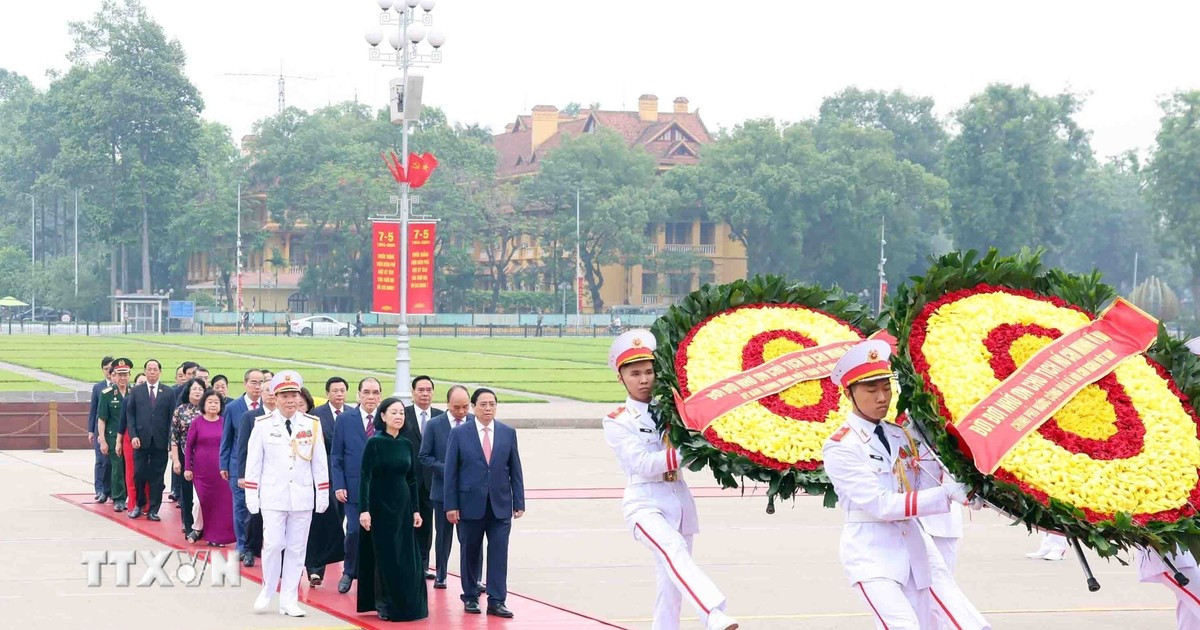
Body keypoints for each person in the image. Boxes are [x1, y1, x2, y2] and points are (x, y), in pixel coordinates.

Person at [823, 339, 989, 630]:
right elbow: (881, 504)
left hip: (915, 547)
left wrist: (963, 484)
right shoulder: (841, 446)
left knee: (960, 620)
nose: (881, 397)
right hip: (872, 553)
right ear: (849, 393)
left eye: (886, 388)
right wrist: (947, 494)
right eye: (871, 390)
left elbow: (923, 486)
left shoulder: (901, 434)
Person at [603, 330, 739, 630]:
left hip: (678, 500)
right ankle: (714, 613)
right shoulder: (617, 420)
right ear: (621, 378)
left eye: (649, 372)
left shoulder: (674, 409)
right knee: (673, 550)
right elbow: (642, 463)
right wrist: (688, 448)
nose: (644, 380)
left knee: (671, 585)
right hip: (644, 503)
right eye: (635, 373)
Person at [244, 370, 330, 617]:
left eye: (294, 395)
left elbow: (319, 461)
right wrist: (252, 495)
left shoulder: (311, 424)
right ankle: (268, 589)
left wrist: (322, 493)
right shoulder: (262, 425)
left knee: (296, 548)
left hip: (302, 496)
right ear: (276, 397)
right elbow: (254, 463)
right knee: (273, 544)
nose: (290, 400)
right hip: (273, 495)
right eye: (285, 395)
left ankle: (289, 599)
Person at [444, 388, 525, 618]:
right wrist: (451, 505)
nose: (488, 408)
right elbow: (451, 472)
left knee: (499, 553)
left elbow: (515, 470)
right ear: (473, 407)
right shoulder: (460, 434)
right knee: (470, 552)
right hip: (470, 504)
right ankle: (470, 596)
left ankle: (497, 600)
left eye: (492, 404)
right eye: (483, 404)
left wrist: (519, 501)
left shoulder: (507, 433)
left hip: (500, 505)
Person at [357, 396, 430, 622]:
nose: (398, 416)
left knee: (406, 556)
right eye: (393, 412)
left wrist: (416, 510)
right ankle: (385, 604)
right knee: (386, 556)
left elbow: (412, 480)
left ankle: (408, 603)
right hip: (380, 508)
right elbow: (365, 477)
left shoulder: (407, 444)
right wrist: (364, 509)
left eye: (401, 413)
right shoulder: (375, 442)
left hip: (404, 508)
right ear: (383, 416)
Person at [419, 384, 480, 589]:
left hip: (470, 492)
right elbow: (424, 456)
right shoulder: (435, 425)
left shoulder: (475, 422)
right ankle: (441, 574)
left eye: (465, 407)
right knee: (443, 536)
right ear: (447, 404)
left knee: (471, 537)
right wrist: (448, 469)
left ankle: (474, 578)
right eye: (456, 408)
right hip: (443, 490)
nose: (461, 412)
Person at [332, 377, 383, 594]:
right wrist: (339, 484)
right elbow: (336, 455)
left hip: (379, 490)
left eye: (375, 393)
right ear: (358, 395)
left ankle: (374, 577)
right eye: (367, 392)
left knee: (377, 534)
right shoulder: (345, 419)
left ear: (380, 396)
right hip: (352, 489)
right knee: (353, 530)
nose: (371, 397)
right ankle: (349, 572)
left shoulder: (386, 419)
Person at [220, 368, 264, 566]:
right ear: (245, 384)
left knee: (257, 508)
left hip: (262, 467)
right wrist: (224, 463)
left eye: (260, 382)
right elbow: (226, 438)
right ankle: (242, 545)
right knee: (240, 507)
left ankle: (255, 544)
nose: (257, 386)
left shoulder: (269, 407)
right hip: (238, 466)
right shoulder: (233, 407)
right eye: (253, 382)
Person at [301, 386, 345, 586]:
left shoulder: (314, 423)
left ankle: (316, 568)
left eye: (302, 403)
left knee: (322, 523)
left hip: (325, 477)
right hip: (295, 484)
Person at [123, 359, 175, 521]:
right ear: (145, 371)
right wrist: (133, 436)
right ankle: (139, 504)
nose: (152, 372)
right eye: (149, 369)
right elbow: (130, 415)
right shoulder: (136, 391)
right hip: (141, 440)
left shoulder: (168, 392)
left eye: (155, 369)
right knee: (139, 474)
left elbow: (172, 417)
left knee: (157, 476)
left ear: (160, 371)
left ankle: (153, 509)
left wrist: (170, 441)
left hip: (160, 441)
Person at [185, 388, 235, 546]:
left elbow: (229, 445)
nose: (213, 405)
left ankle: (217, 536)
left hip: (221, 471)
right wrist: (188, 468)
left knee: (220, 504)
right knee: (199, 502)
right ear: (203, 404)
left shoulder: (224, 422)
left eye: (216, 402)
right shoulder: (197, 422)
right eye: (210, 402)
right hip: (201, 471)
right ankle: (198, 528)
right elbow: (188, 447)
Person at [404, 375, 441, 579]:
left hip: (431, 480)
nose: (425, 394)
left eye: (428, 390)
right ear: (413, 392)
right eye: (421, 390)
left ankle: (423, 564)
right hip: (407, 479)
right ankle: (407, 562)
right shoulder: (403, 414)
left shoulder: (439, 417)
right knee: (406, 522)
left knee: (427, 525)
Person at [237, 383, 277, 562]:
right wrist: (242, 475)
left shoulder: (285, 417)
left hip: (278, 475)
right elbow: (243, 448)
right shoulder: (251, 417)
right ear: (261, 392)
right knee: (254, 514)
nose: (271, 394)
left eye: (275, 391)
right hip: (257, 474)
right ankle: (250, 549)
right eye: (268, 390)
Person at [171, 377, 205, 539]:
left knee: (205, 494)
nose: (197, 392)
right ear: (188, 391)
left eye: (200, 389)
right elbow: (174, 438)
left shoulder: (209, 410)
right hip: (186, 457)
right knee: (187, 493)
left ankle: (204, 526)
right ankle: (188, 523)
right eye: (194, 389)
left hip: (206, 459)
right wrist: (176, 460)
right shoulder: (180, 410)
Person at [96, 358, 132, 513]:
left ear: (129, 375)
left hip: (130, 437)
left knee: (130, 467)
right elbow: (102, 419)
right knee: (117, 467)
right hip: (112, 436)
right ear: (114, 376)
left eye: (125, 374)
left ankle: (132, 497)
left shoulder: (135, 393)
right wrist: (102, 440)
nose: (122, 378)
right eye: (119, 375)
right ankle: (118, 498)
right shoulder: (107, 394)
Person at [119, 372, 150, 512]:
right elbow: (122, 423)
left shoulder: (154, 400)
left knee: (147, 473)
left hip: (149, 439)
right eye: (140, 383)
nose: (142, 385)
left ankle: (147, 504)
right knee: (132, 473)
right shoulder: (128, 399)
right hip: (130, 439)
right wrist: (118, 442)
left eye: (145, 383)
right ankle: (133, 503)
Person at [88, 356, 115, 503]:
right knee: (101, 461)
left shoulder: (122, 386)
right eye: (106, 369)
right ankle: (100, 489)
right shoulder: (98, 388)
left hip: (115, 429)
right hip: (101, 430)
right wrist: (91, 431)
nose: (108, 372)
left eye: (111, 369)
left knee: (113, 462)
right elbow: (94, 411)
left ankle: (111, 490)